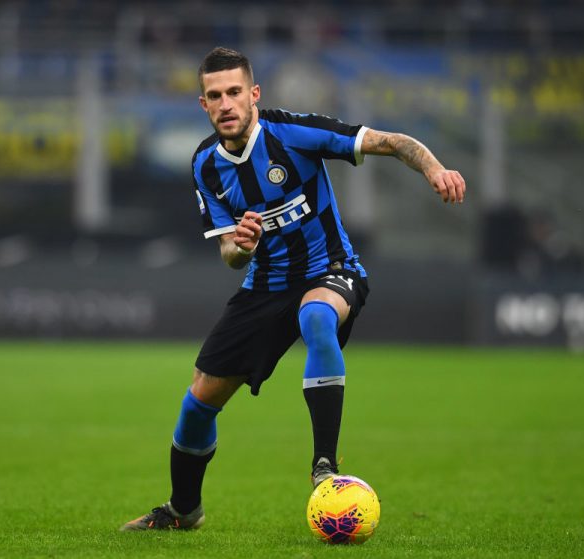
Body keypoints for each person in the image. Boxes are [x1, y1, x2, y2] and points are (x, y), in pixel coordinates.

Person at [121, 47, 466, 531]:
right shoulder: (205, 164)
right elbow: (229, 253)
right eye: (215, 96)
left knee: (316, 317)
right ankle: (183, 510)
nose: (226, 104)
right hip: (264, 285)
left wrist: (434, 169)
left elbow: (389, 141)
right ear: (203, 104)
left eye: (235, 92)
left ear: (254, 94)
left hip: (331, 267)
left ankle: (325, 467)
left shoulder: (293, 133)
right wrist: (241, 245)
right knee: (198, 402)